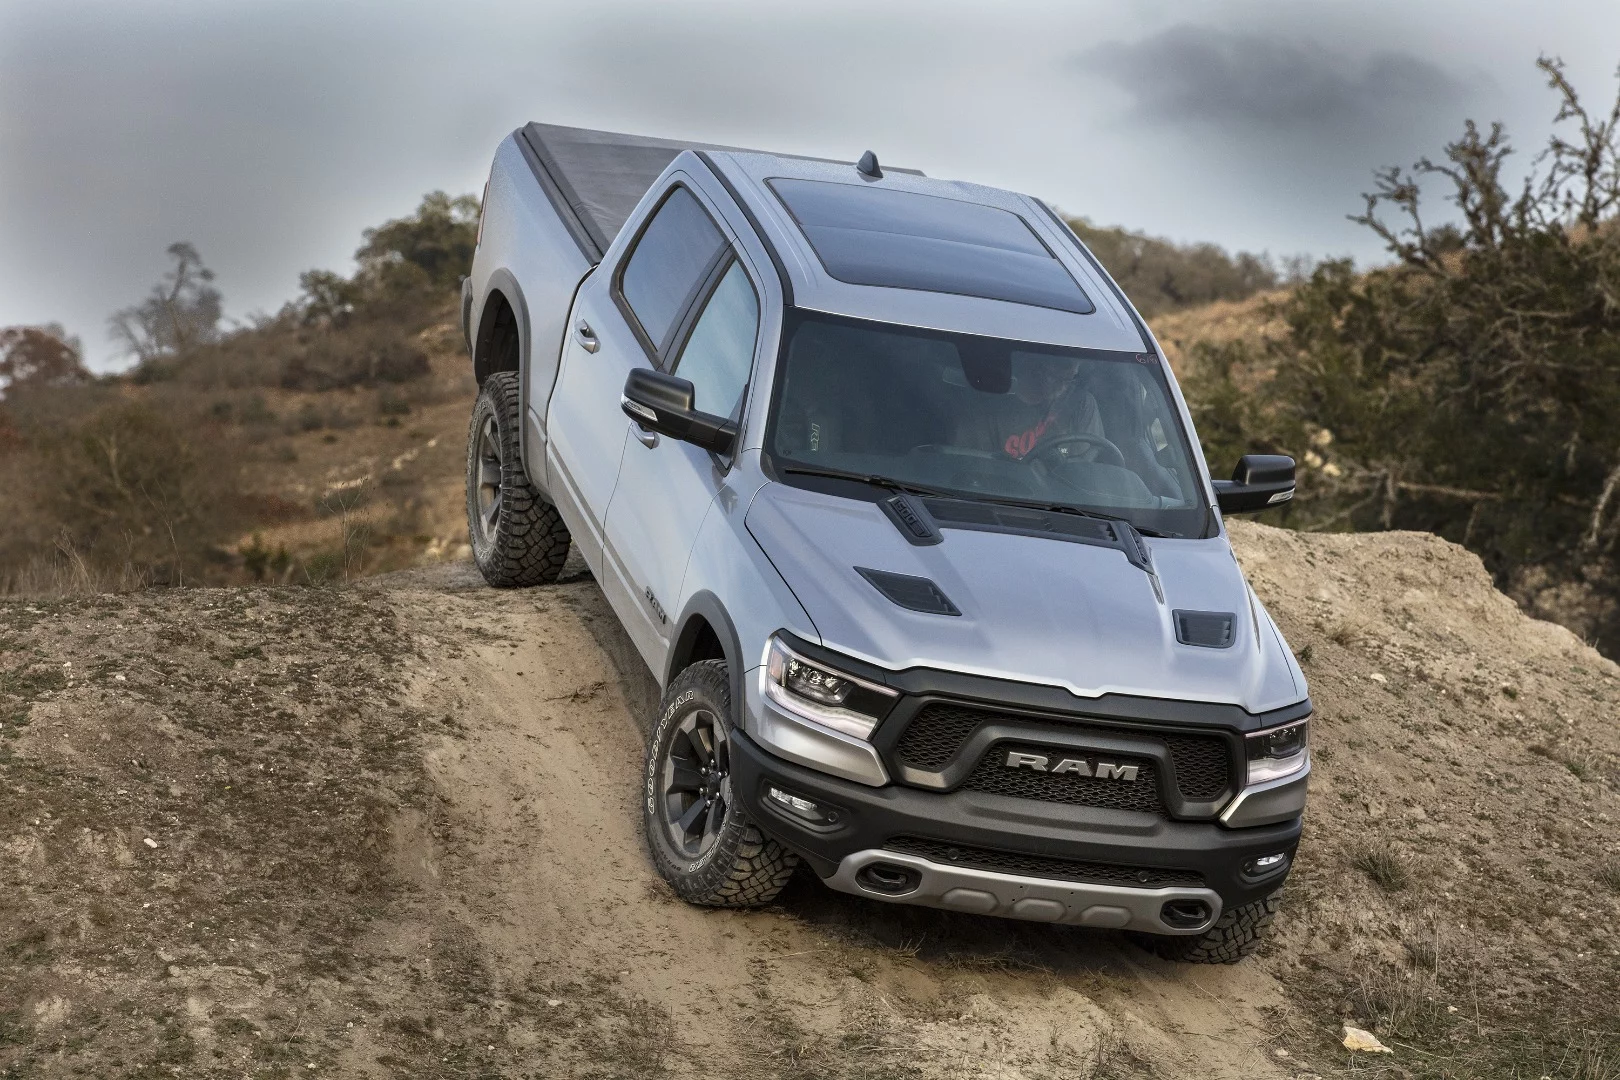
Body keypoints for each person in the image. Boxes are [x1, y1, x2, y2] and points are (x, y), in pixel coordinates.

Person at [958, 351, 1104, 459]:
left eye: (1070, 379)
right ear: (1034, 367)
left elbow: (1086, 468)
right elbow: (976, 467)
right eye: (1057, 377)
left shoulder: (1080, 403)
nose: (1063, 387)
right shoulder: (986, 410)